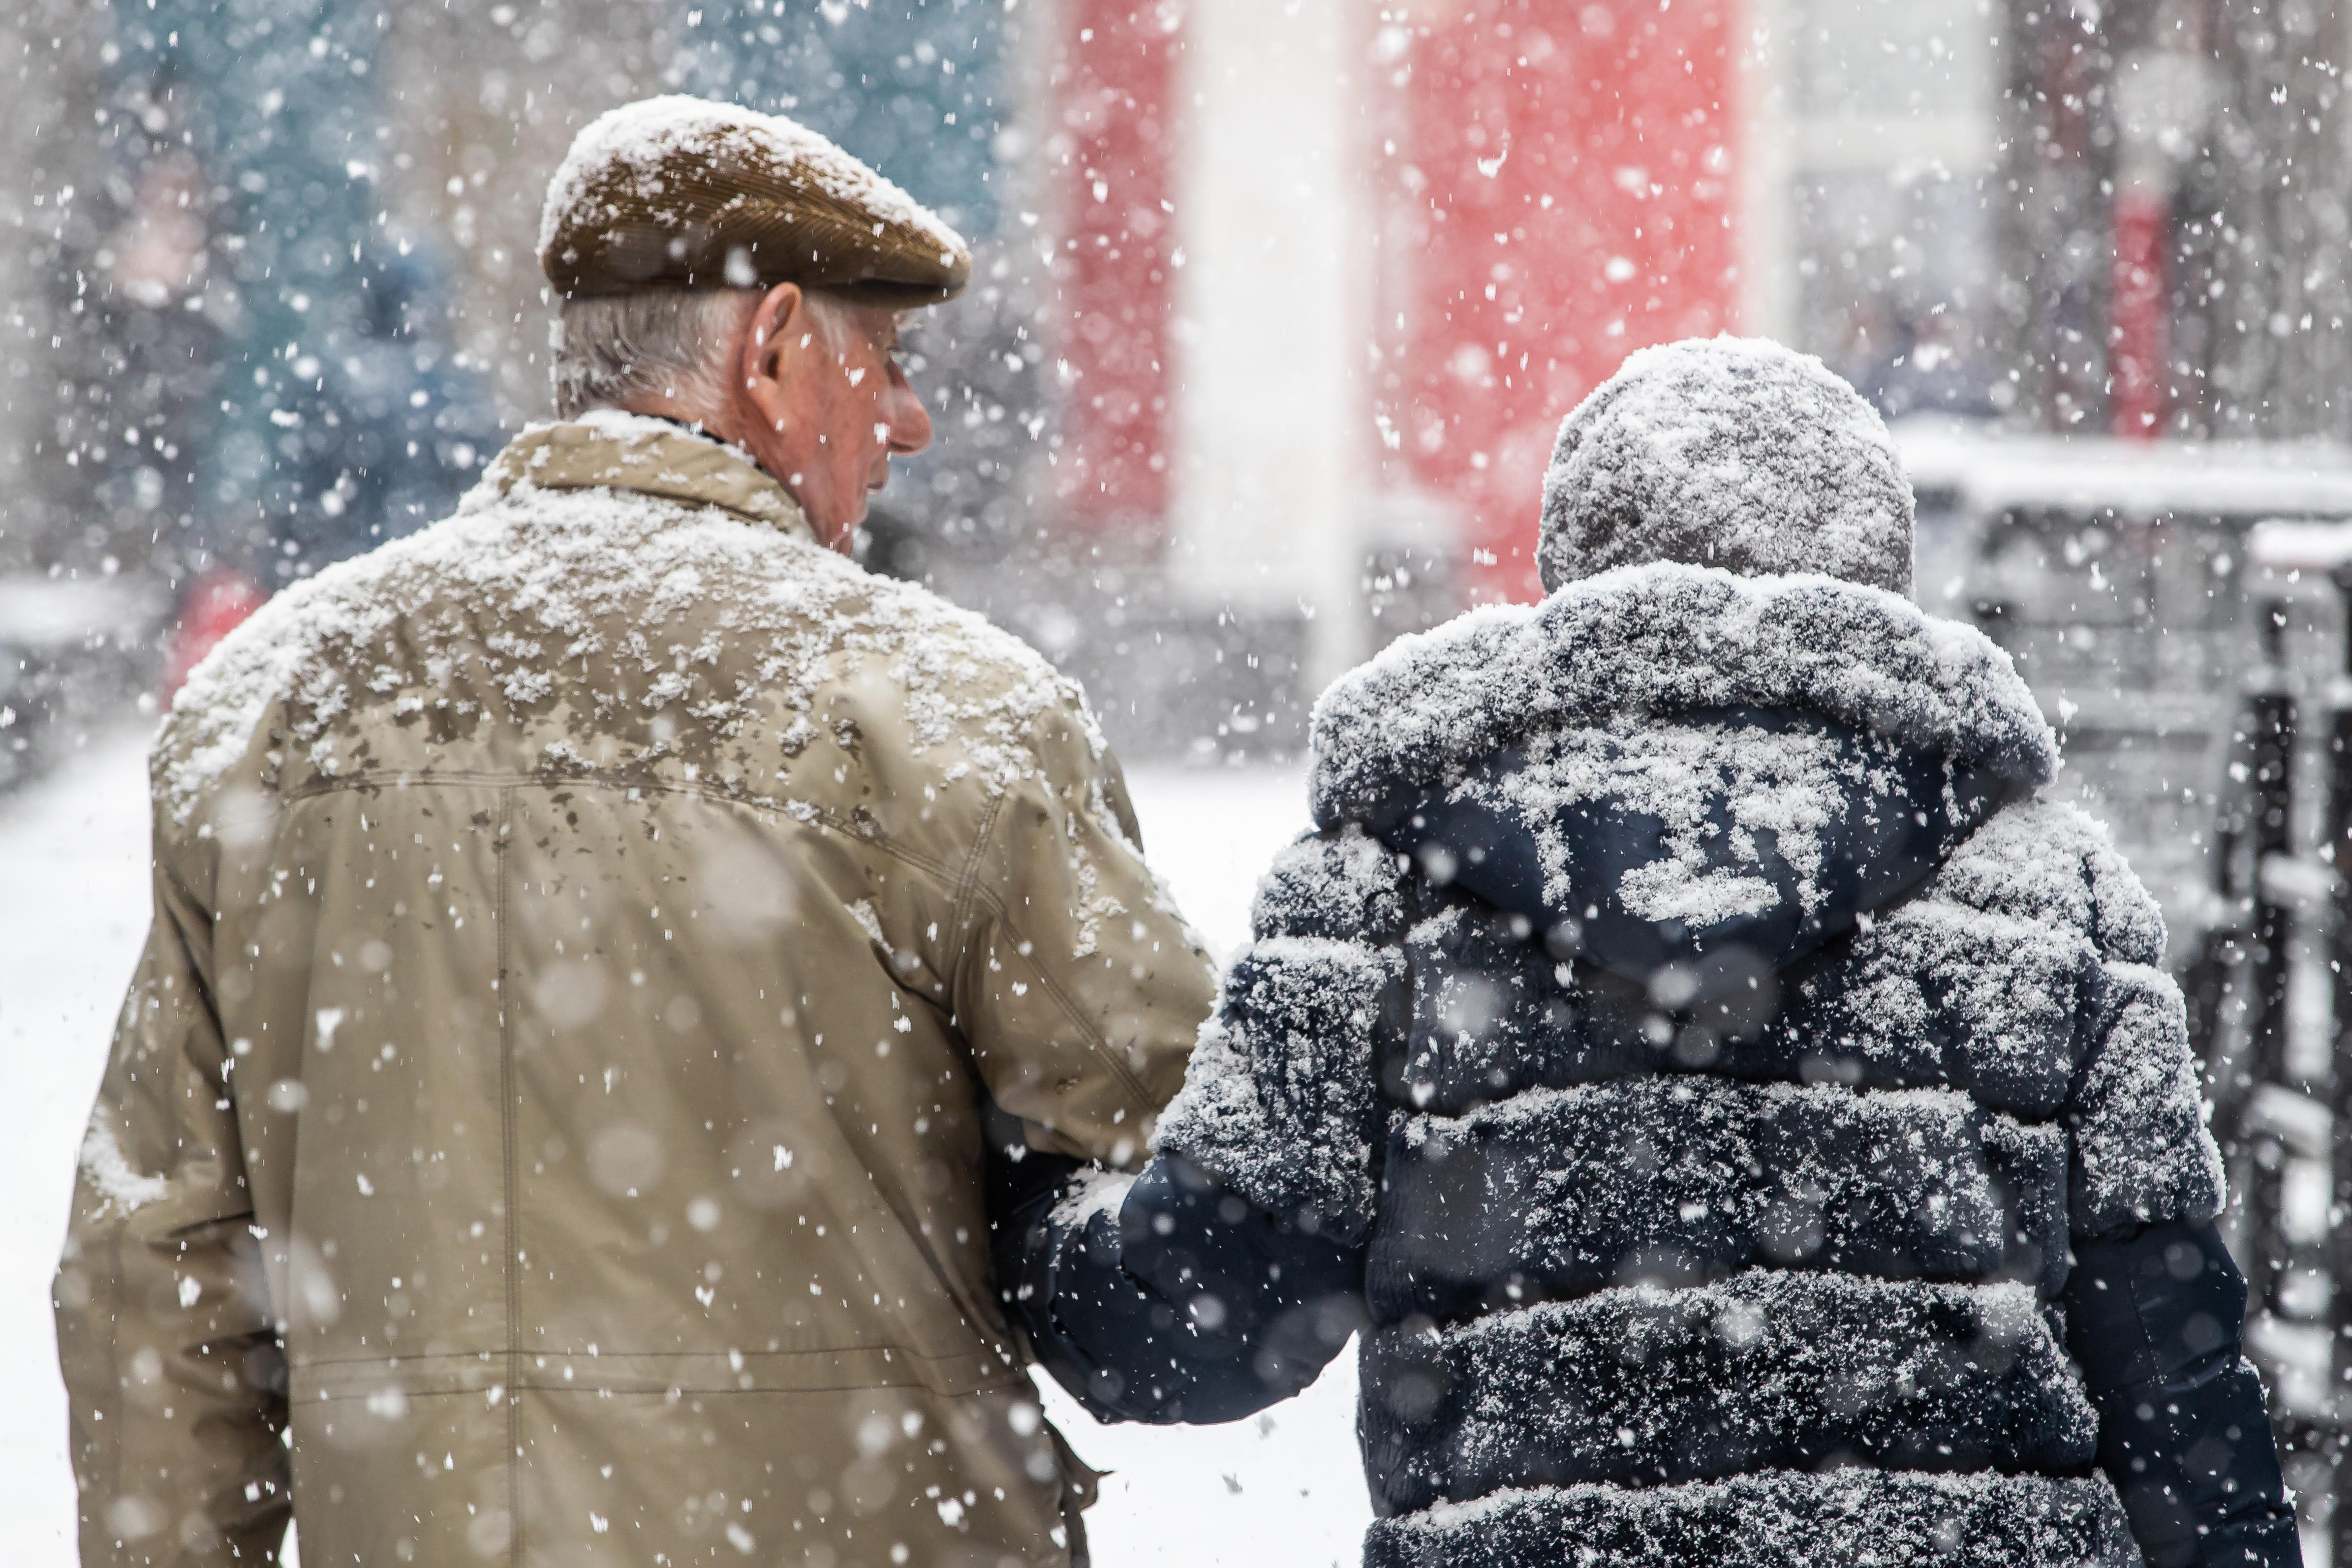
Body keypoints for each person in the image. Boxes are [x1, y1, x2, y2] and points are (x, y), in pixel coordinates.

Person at [54, 96, 1346, 1568]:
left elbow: (155, 1285)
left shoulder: (268, 715)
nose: (912, 421)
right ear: (777, 345)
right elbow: (1201, 1151)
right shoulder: (935, 712)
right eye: (890, 361)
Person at [1045, 338, 2297, 1567]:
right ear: (1880, 577)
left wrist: (994, 1205)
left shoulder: (1382, 889)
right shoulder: (2051, 892)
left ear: (1568, 575)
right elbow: (2173, 1384)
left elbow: (1193, 1326)